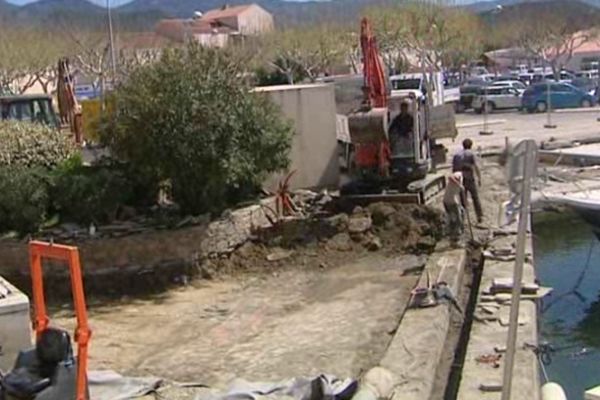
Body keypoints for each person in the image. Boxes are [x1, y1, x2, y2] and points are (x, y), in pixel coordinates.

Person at [452, 139, 483, 223]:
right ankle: (479, 216)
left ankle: (463, 217)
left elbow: (454, 169)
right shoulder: (471, 154)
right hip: (470, 179)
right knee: (475, 198)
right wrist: (479, 178)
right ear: (471, 145)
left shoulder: (457, 155)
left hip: (460, 179)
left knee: (463, 200)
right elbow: (476, 167)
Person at [443, 171, 464, 246]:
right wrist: (459, 184)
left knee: (460, 213)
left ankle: (456, 235)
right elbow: (450, 177)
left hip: (451, 201)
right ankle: (454, 239)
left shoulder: (462, 179)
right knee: (457, 219)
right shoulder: (459, 174)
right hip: (450, 201)